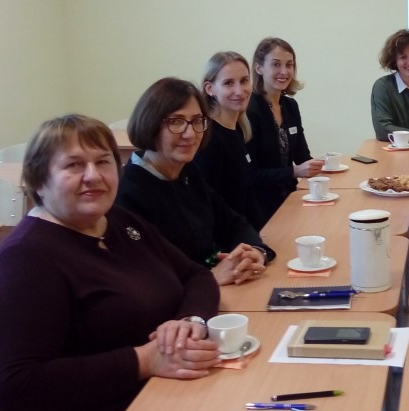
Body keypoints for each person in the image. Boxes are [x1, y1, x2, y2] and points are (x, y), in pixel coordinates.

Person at [0, 115, 220, 411]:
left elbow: (195, 275)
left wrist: (189, 321)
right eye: (74, 165)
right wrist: (143, 360)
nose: (93, 176)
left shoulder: (120, 222)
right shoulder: (24, 259)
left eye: (103, 162)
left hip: (150, 394)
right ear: (39, 181)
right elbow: (15, 385)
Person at [117, 78, 273, 287]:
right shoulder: (128, 193)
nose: (190, 133)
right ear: (150, 124)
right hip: (182, 301)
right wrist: (208, 278)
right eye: (176, 121)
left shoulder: (188, 172)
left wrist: (255, 252)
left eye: (197, 121)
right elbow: (146, 279)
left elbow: (233, 223)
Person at [245, 37, 322, 219]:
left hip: (291, 198)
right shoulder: (249, 110)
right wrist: (294, 171)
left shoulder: (290, 106)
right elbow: (251, 175)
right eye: (276, 64)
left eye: (289, 65)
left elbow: (302, 156)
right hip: (261, 207)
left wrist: (324, 166)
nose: (284, 71)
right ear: (259, 68)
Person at [193, 51, 266, 231]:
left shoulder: (239, 129)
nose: (239, 91)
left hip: (250, 234)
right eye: (228, 83)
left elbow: (246, 195)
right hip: (232, 241)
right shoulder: (209, 139)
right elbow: (209, 208)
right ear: (210, 89)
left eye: (244, 81)